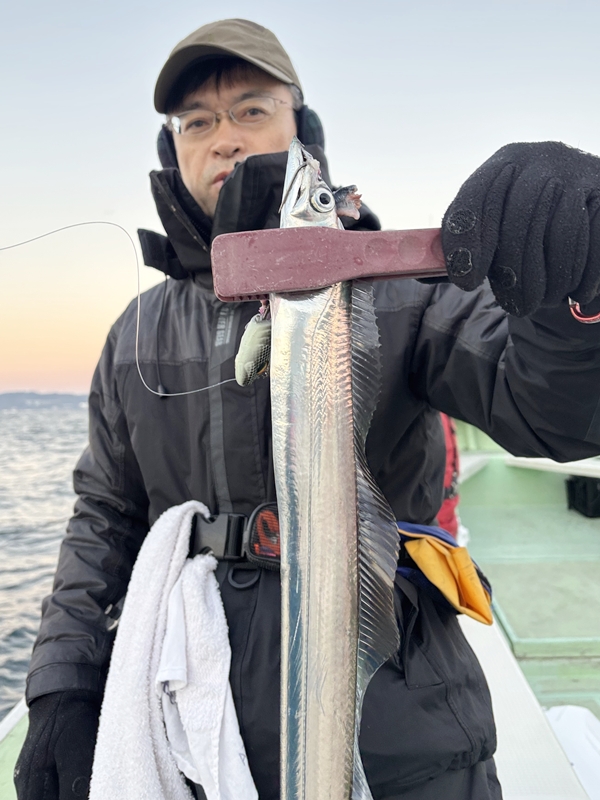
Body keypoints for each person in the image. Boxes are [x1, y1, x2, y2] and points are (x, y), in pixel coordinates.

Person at [14, 17, 600, 800]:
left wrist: (579, 299)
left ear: (302, 129)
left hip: (406, 734)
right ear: (172, 147)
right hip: (192, 733)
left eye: (252, 109)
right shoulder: (137, 332)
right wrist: (64, 679)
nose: (224, 137)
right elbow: (105, 514)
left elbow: (551, 412)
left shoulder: (402, 291)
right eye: (197, 121)